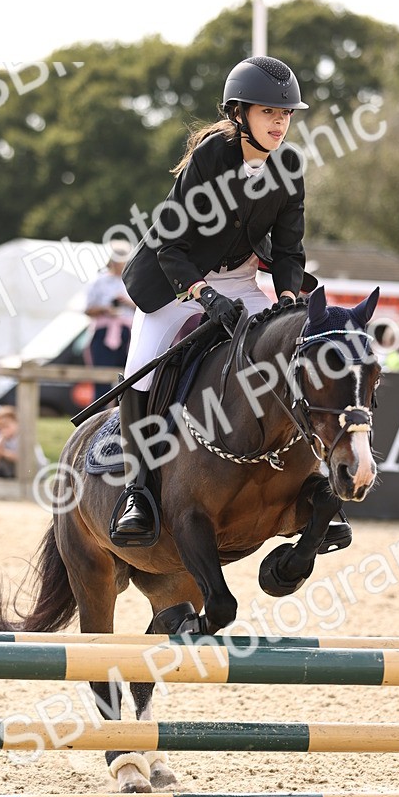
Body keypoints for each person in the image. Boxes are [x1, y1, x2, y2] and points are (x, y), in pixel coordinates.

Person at [113, 54, 318, 545]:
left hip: (241, 281)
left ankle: (312, 480)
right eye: (268, 112)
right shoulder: (211, 158)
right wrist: (204, 295)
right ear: (239, 113)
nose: (280, 123)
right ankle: (137, 490)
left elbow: (290, 251)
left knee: (293, 349)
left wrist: (287, 297)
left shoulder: (289, 166)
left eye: (285, 114)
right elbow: (171, 246)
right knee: (140, 367)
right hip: (177, 281)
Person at [83, 240, 136, 398]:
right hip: (105, 332)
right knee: (102, 381)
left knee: (128, 380)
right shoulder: (99, 281)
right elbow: (88, 309)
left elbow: (144, 308)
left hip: (128, 332)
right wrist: (105, 309)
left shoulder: (133, 280)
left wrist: (127, 303)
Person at [0, 407, 20, 477]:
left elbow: (22, 458)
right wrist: (1, 440)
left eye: (6, 426)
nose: (3, 430)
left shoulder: (22, 438)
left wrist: (4, 453)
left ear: (16, 423)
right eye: (0, 427)